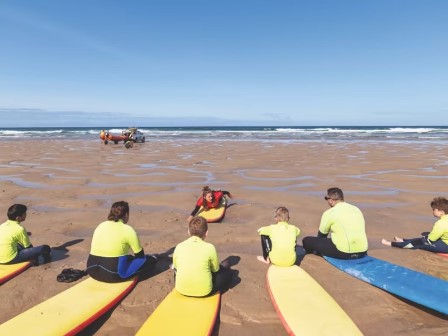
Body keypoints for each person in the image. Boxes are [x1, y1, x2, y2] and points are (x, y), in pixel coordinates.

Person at [86, 201, 157, 283]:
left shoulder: (100, 225)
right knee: (148, 260)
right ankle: (154, 258)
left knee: (124, 257)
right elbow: (140, 256)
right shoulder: (128, 230)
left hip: (91, 269)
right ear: (126, 215)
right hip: (113, 273)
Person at [173, 216, 232, 297]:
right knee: (226, 272)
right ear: (206, 233)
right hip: (204, 291)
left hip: (180, 289)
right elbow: (215, 270)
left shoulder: (179, 246)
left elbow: (176, 267)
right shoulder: (210, 247)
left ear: (188, 232)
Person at [302, 187, 368, 259]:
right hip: (363, 252)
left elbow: (321, 236)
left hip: (344, 253)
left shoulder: (329, 213)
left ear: (331, 200)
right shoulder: (356, 209)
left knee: (306, 240)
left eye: (326, 198)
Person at [382, 197, 448, 253]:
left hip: (446, 247)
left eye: (434, 209)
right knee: (424, 238)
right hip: (445, 242)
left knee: (419, 243)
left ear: (441, 212)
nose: (432, 211)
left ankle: (391, 244)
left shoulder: (440, 223)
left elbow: (431, 239)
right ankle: (403, 240)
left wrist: (425, 239)